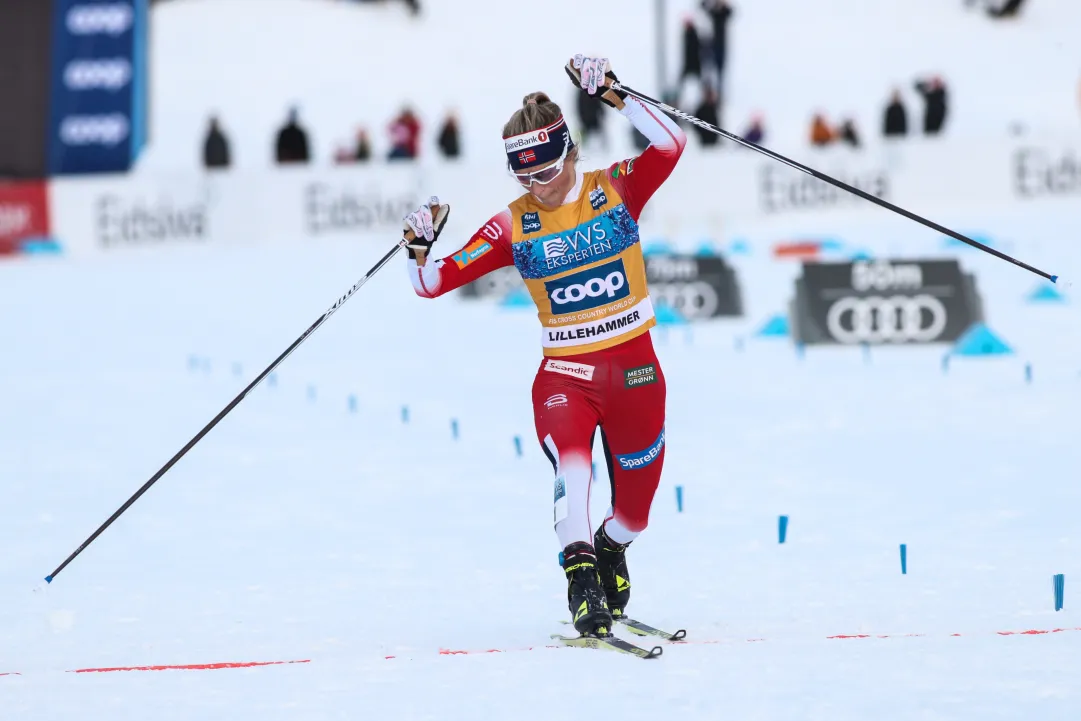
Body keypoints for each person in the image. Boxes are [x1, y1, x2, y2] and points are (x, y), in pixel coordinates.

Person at [401, 54, 686, 639]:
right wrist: (419, 247)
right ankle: (582, 581)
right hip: (565, 375)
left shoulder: (615, 188)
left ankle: (611, 546)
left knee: (635, 513)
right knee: (574, 468)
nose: (538, 187)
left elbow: (672, 144)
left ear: (571, 152)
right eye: (524, 178)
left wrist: (616, 93)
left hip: (636, 371)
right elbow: (431, 283)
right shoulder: (513, 223)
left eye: (547, 172)